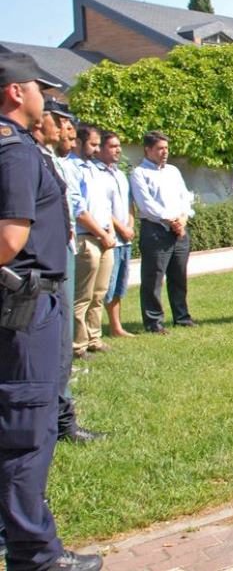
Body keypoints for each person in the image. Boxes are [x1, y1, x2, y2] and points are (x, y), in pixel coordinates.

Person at [0, 53, 104, 571]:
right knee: (27, 430)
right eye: (40, 87)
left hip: (27, 301)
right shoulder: (14, 151)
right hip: (25, 306)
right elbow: (9, 237)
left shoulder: (18, 147)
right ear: (17, 93)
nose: (47, 97)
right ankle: (34, 555)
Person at [33, 100, 105, 445]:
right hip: (46, 259)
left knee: (60, 346)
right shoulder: (25, 156)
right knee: (53, 344)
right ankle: (54, 422)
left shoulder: (53, 160)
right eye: (60, 123)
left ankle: (62, 421)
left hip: (62, 251)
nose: (66, 131)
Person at [130, 130, 197, 334]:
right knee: (154, 277)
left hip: (179, 230)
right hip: (156, 230)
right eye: (160, 148)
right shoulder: (139, 173)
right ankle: (153, 322)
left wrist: (182, 219)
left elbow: (185, 197)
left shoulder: (173, 171)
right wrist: (170, 219)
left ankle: (182, 317)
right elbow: (146, 204)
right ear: (148, 149)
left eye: (166, 148)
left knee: (179, 276)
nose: (164, 152)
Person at [69, 123, 116, 359]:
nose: (97, 149)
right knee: (83, 295)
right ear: (78, 142)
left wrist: (110, 232)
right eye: (93, 144)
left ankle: (94, 338)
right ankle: (78, 344)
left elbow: (104, 205)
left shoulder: (96, 169)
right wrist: (101, 233)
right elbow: (79, 210)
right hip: (88, 238)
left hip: (105, 237)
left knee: (99, 293)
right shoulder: (72, 168)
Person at [96, 130, 135, 338]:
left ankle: (116, 326)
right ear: (100, 149)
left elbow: (129, 203)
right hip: (111, 238)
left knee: (120, 283)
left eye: (119, 145)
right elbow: (103, 208)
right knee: (106, 286)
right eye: (112, 146)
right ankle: (104, 327)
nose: (118, 149)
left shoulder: (120, 174)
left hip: (125, 237)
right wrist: (122, 228)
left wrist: (130, 224)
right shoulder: (97, 174)